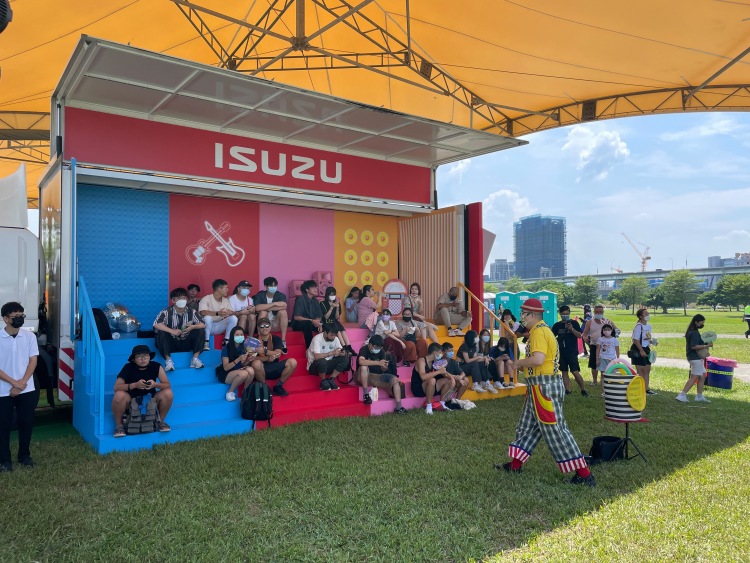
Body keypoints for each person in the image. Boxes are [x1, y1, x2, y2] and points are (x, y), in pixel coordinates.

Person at [495, 299, 595, 486]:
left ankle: (584, 474)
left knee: (555, 431)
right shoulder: (540, 330)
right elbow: (539, 361)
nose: (521, 317)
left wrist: (517, 364)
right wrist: (523, 367)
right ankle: (515, 465)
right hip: (539, 387)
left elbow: (538, 359)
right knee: (527, 427)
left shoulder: (539, 332)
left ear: (532, 315)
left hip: (543, 388)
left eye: (524, 314)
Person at [0, 302, 39, 471]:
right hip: (3, 390)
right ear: (5, 319)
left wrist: (22, 382)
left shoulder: (29, 336)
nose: (20, 319)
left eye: (22, 316)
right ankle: (4, 460)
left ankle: (24, 456)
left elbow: (33, 360)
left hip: (27, 388)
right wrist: (14, 382)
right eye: (16, 316)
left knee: (26, 423)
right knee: (3, 426)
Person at [112, 345, 173, 437]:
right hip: (131, 400)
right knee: (119, 395)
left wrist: (155, 384)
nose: (143, 359)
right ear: (134, 359)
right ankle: (119, 425)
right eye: (139, 357)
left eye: (145, 356)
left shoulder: (156, 366)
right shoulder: (128, 367)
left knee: (168, 393)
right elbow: (116, 387)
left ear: (149, 357)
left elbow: (167, 385)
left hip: (150, 399)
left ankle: (160, 421)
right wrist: (135, 385)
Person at [153, 287, 206, 371]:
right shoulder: (165, 312)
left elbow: (203, 324)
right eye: (179, 298)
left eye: (184, 298)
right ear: (173, 300)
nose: (182, 300)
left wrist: (193, 327)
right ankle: (168, 361)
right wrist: (171, 331)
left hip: (186, 342)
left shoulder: (192, 312)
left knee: (200, 330)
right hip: (171, 343)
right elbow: (156, 324)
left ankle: (195, 359)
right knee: (161, 332)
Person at [357, 335, 406, 414]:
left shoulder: (381, 351)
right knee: (364, 367)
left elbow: (383, 369)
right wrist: (378, 362)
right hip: (363, 376)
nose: (378, 349)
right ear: (370, 345)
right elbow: (361, 361)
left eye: (379, 348)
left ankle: (398, 407)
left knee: (395, 380)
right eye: (376, 347)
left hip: (377, 377)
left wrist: (384, 366)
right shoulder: (364, 349)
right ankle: (366, 395)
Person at [251, 317, 296, 397]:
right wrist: (268, 358)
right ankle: (264, 387)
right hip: (261, 369)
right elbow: (251, 358)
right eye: (262, 326)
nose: (264, 328)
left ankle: (278, 386)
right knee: (256, 363)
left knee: (293, 362)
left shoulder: (276, 339)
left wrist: (265, 351)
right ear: (258, 328)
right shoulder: (253, 341)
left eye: (267, 325)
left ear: (270, 327)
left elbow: (278, 353)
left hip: (274, 365)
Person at [551, 305, 588, 396]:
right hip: (561, 351)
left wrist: (571, 329)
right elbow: (552, 337)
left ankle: (583, 389)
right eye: (563, 314)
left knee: (575, 371)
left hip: (572, 351)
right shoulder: (557, 325)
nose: (565, 316)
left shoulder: (574, 323)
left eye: (567, 314)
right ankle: (568, 390)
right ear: (560, 314)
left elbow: (579, 335)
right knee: (564, 371)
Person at [677, 314, 713, 403]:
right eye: (701, 322)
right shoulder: (694, 333)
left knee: (703, 375)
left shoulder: (691, 331)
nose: (702, 324)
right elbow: (694, 346)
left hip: (693, 357)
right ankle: (682, 395)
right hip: (695, 358)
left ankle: (699, 396)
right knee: (694, 377)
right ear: (696, 322)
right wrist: (706, 346)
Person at [411, 343, 456, 414]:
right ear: (435, 353)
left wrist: (451, 378)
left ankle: (442, 404)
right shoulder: (421, 361)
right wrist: (438, 372)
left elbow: (444, 372)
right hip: (418, 388)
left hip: (429, 386)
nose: (441, 355)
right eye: (440, 353)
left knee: (447, 381)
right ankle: (429, 407)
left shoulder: (434, 362)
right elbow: (423, 377)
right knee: (432, 380)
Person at [581, 304, 618, 386]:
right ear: (594, 312)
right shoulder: (590, 322)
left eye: (600, 312)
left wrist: (615, 333)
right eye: (597, 312)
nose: (598, 313)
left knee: (606, 362)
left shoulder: (608, 321)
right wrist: (585, 338)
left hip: (606, 346)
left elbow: (617, 330)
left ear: (603, 312)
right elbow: (585, 333)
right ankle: (594, 380)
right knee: (594, 363)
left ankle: (606, 379)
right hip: (594, 345)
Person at [216, 327, 257, 402]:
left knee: (251, 370)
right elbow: (226, 368)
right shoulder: (226, 348)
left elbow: (242, 364)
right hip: (226, 373)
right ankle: (230, 392)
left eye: (241, 334)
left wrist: (248, 360)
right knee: (244, 373)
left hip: (237, 370)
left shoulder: (244, 347)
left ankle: (245, 391)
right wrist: (238, 359)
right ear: (232, 336)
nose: (240, 336)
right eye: (237, 335)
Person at [198, 279, 238, 350]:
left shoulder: (226, 300)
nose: (227, 290)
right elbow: (202, 312)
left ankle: (226, 341)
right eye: (226, 288)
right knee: (207, 318)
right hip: (207, 327)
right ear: (219, 289)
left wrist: (229, 312)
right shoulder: (206, 298)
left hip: (219, 326)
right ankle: (206, 342)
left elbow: (231, 312)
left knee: (234, 318)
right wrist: (217, 313)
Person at [253, 277, 289, 352]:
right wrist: (274, 304)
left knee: (283, 312)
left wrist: (267, 307)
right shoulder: (260, 295)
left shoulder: (280, 295)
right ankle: (260, 340)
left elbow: (284, 306)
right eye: (271, 286)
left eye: (275, 286)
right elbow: (257, 308)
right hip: (264, 325)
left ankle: (283, 341)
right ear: (266, 287)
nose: (273, 287)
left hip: (276, 324)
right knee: (263, 312)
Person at [306, 325, 347, 391]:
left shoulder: (335, 339)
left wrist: (342, 353)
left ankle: (331, 379)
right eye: (331, 335)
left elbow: (340, 350)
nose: (333, 337)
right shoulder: (317, 339)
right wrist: (332, 353)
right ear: (325, 332)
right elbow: (317, 357)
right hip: (314, 366)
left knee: (345, 358)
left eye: (334, 335)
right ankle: (323, 381)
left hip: (328, 364)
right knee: (322, 361)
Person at [321, 286, 354, 353]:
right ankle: (344, 346)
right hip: (327, 322)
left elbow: (336, 317)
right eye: (331, 295)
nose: (333, 296)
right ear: (327, 295)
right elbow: (326, 317)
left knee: (342, 331)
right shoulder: (322, 303)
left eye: (334, 294)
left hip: (334, 321)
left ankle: (349, 347)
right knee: (338, 331)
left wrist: (337, 308)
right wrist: (331, 307)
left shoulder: (337, 303)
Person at [631, 307, 656, 395]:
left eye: (648, 313)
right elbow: (635, 340)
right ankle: (640, 388)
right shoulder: (639, 326)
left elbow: (647, 338)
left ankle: (646, 388)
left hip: (646, 348)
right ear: (641, 316)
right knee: (640, 370)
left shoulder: (648, 326)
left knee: (647, 369)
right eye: (646, 314)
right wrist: (641, 351)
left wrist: (652, 342)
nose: (648, 315)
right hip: (638, 349)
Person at [292, 280, 324, 349]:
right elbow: (296, 317)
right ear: (307, 290)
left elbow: (319, 315)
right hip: (298, 324)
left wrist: (319, 323)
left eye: (316, 287)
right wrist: (311, 320)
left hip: (312, 322)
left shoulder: (315, 300)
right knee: (308, 324)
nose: (316, 289)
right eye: (313, 287)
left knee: (326, 325)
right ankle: (310, 349)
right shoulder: (300, 299)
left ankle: (325, 349)